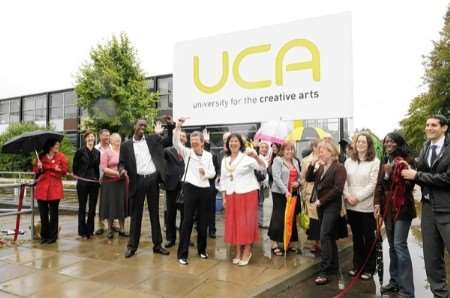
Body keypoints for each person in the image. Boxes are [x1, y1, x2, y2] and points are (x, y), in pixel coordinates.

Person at [401, 115, 450, 298]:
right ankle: (440, 295)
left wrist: (417, 176)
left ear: (444, 128)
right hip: (428, 209)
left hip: (447, 209)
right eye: (427, 125)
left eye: (434, 125)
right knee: (432, 259)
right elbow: (419, 170)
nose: (429, 128)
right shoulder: (425, 147)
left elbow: (447, 179)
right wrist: (407, 167)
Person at [119, 119, 173, 258]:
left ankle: (157, 245)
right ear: (134, 126)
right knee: (136, 215)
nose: (143, 127)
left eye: (144, 125)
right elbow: (121, 163)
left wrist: (171, 127)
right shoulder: (126, 146)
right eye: (140, 125)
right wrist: (122, 170)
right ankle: (132, 246)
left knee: (154, 213)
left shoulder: (151, 139)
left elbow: (168, 141)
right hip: (137, 181)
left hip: (152, 180)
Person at [374, 131, 416, 297]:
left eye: (392, 142)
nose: (388, 144)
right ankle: (395, 282)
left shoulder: (408, 160)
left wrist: (395, 172)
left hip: (402, 209)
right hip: (387, 209)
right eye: (386, 142)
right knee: (392, 246)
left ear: (398, 143)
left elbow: (409, 186)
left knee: (399, 245)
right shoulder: (385, 160)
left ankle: (407, 290)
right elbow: (379, 184)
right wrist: (377, 203)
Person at [173, 118, 216, 265]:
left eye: (197, 142)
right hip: (190, 188)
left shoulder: (209, 155)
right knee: (187, 221)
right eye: (192, 141)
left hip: (204, 189)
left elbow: (213, 173)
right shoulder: (187, 152)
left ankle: (202, 250)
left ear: (202, 143)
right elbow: (175, 143)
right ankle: (182, 254)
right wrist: (178, 127)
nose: (194, 144)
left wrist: (206, 173)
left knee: (203, 221)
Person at [220, 133, 266, 266]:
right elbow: (223, 179)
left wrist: (256, 156)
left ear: (240, 143)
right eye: (231, 141)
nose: (233, 143)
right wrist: (223, 197)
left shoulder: (246, 158)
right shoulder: (224, 160)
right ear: (228, 144)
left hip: (248, 194)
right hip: (231, 195)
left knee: (246, 224)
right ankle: (238, 251)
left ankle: (247, 250)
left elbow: (263, 167)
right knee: (235, 223)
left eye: (236, 141)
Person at [305, 140, 346, 285]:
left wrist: (321, 201)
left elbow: (337, 189)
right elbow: (308, 178)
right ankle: (334, 266)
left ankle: (324, 271)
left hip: (332, 207)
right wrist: (311, 164)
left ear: (331, 152)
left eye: (322, 151)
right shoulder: (321, 167)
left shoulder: (339, 167)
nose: (319, 153)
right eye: (319, 151)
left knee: (324, 236)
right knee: (329, 237)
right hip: (321, 207)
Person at [343, 132, 380, 280]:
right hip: (351, 205)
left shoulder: (375, 162)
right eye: (358, 142)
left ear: (369, 145)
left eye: (364, 142)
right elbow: (344, 181)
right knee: (357, 237)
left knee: (368, 237)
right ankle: (357, 265)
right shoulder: (348, 161)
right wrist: (347, 196)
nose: (360, 144)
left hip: (365, 206)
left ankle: (370, 268)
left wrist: (357, 197)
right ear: (355, 144)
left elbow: (373, 184)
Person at [268, 141, 301, 256]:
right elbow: (276, 177)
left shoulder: (296, 161)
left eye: (291, 149)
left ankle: (289, 242)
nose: (289, 151)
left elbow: (300, 176)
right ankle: (274, 243)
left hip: (293, 193)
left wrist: (298, 183)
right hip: (280, 194)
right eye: (287, 149)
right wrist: (285, 191)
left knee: (291, 218)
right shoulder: (278, 160)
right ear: (283, 150)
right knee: (279, 217)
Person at [33, 138, 68, 244]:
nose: (57, 146)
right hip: (42, 188)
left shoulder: (61, 156)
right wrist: (39, 167)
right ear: (50, 146)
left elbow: (65, 171)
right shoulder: (41, 157)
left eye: (58, 145)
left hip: (55, 188)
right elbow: (35, 171)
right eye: (55, 145)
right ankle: (44, 236)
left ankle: (53, 236)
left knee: (54, 214)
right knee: (43, 214)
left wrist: (59, 170)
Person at [73, 130, 101, 240]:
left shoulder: (98, 153)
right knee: (82, 207)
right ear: (85, 139)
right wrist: (78, 176)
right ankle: (82, 232)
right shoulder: (80, 152)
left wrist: (98, 180)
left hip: (94, 183)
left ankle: (90, 230)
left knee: (92, 208)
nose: (90, 139)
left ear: (94, 139)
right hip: (83, 183)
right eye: (88, 137)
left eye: (92, 137)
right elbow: (75, 168)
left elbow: (97, 169)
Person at [99, 133, 128, 239]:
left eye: (119, 139)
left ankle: (122, 228)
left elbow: (127, 164)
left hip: (121, 182)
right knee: (110, 206)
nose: (118, 141)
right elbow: (103, 168)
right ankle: (110, 229)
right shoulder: (106, 153)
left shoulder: (123, 152)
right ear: (111, 141)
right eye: (116, 139)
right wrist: (115, 172)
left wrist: (124, 171)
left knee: (121, 205)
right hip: (109, 183)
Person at [300, 139, 321, 254]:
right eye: (318, 146)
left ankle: (323, 242)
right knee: (313, 219)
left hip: (323, 193)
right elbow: (303, 178)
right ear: (313, 147)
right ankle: (315, 243)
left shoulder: (325, 158)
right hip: (310, 192)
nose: (320, 148)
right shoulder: (305, 160)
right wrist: (303, 194)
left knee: (322, 217)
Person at [163, 144, 185, 248]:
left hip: (185, 187)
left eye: (183, 137)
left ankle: (184, 238)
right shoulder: (168, 151)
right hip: (171, 187)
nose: (181, 138)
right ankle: (171, 239)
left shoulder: (188, 151)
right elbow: (159, 153)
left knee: (185, 216)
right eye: (179, 136)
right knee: (170, 214)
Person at [203, 128, 221, 239]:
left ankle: (212, 230)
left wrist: (217, 178)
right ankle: (202, 228)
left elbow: (217, 169)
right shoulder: (195, 155)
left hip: (210, 186)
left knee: (211, 209)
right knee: (201, 210)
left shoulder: (212, 156)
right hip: (200, 186)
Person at [95, 128, 111, 235]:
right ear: (100, 136)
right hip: (98, 180)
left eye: (108, 135)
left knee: (111, 202)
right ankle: (100, 225)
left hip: (111, 179)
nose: (107, 138)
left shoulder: (112, 147)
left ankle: (112, 224)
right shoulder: (96, 149)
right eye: (105, 135)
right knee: (98, 203)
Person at [257, 141, 271, 228]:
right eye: (262, 147)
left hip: (265, 184)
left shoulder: (268, 160)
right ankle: (258, 221)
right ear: (259, 149)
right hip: (257, 184)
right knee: (257, 203)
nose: (264, 149)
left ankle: (260, 222)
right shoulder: (256, 158)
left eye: (266, 147)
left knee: (262, 203)